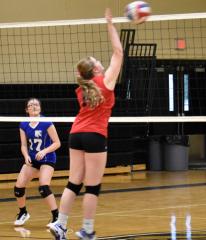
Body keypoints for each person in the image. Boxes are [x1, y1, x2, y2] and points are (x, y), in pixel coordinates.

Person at [49, 8, 123, 240]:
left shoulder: (82, 88)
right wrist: (110, 24)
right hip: (94, 136)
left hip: (76, 134)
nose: (100, 61)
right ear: (96, 69)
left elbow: (84, 70)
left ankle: (60, 224)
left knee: (73, 182)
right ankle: (87, 230)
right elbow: (118, 52)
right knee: (92, 187)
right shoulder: (106, 80)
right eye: (96, 61)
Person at [15, 98, 61, 227]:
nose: (34, 106)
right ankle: (23, 212)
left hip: (48, 158)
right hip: (33, 159)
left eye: (36, 104)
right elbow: (23, 145)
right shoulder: (23, 124)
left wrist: (45, 151)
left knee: (43, 186)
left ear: (40, 108)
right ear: (26, 109)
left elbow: (57, 143)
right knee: (18, 187)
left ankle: (56, 217)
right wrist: (26, 156)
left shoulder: (46, 122)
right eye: (31, 105)